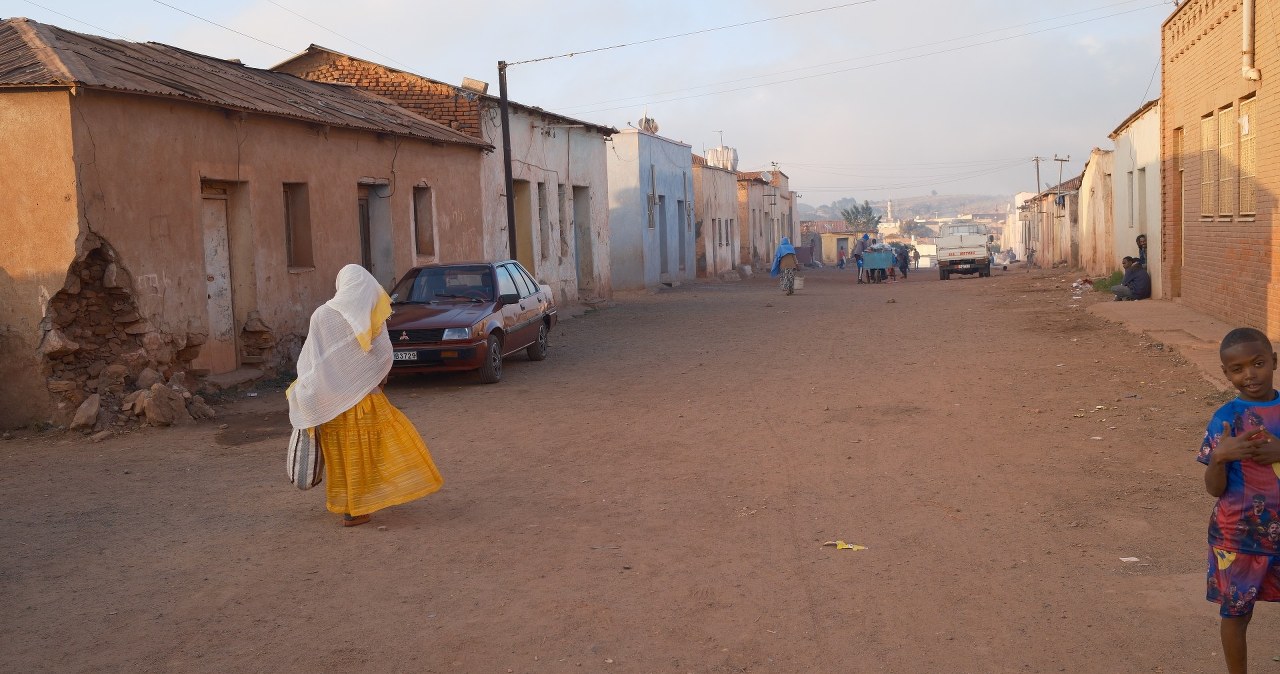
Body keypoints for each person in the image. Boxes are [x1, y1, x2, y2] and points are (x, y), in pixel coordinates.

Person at [287, 264, 444, 527]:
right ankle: (362, 504)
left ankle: (352, 508)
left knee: (341, 455)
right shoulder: (370, 317)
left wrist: (309, 393)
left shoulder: (321, 315)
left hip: (332, 404)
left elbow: (312, 362)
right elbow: (383, 356)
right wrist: (372, 380)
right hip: (365, 402)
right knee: (372, 449)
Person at [1196, 327, 1280, 673]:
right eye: (1238, 369)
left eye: (1258, 363)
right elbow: (1214, 489)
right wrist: (1220, 457)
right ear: (1226, 374)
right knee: (1235, 615)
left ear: (1274, 361)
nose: (1250, 375)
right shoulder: (1225, 420)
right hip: (1237, 538)